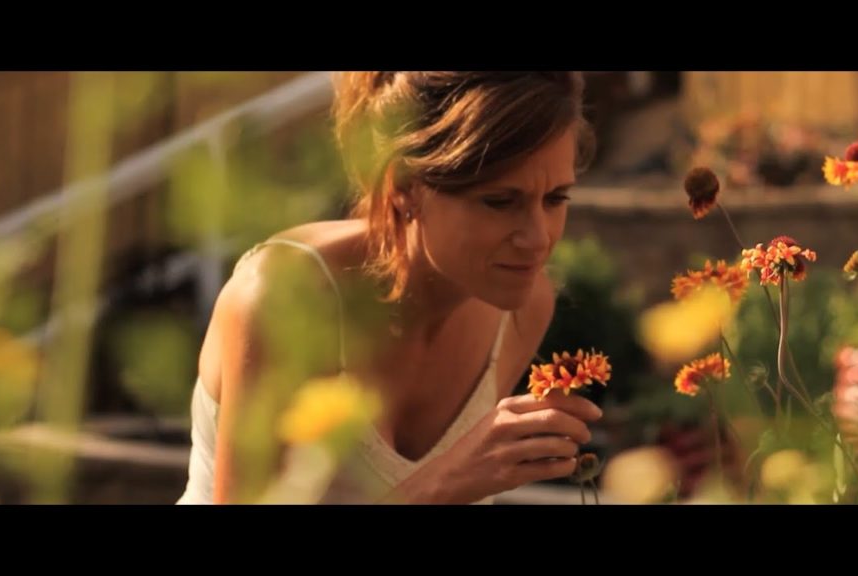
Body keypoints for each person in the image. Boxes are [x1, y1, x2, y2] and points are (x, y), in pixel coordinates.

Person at [177, 72, 603, 504]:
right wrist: (442, 486)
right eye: (499, 201)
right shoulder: (285, 298)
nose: (538, 238)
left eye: (556, 199)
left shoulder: (524, 308)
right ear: (402, 187)